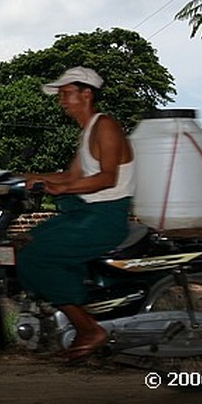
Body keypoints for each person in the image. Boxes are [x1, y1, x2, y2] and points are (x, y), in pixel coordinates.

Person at [17, 66, 135, 362]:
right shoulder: (88, 132)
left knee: (36, 255)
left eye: (67, 94)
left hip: (104, 216)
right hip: (86, 213)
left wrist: (61, 188)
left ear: (87, 94)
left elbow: (108, 178)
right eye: (61, 95)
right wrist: (19, 177)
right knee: (23, 242)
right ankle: (63, 308)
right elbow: (69, 175)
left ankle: (89, 329)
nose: (62, 101)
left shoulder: (105, 125)